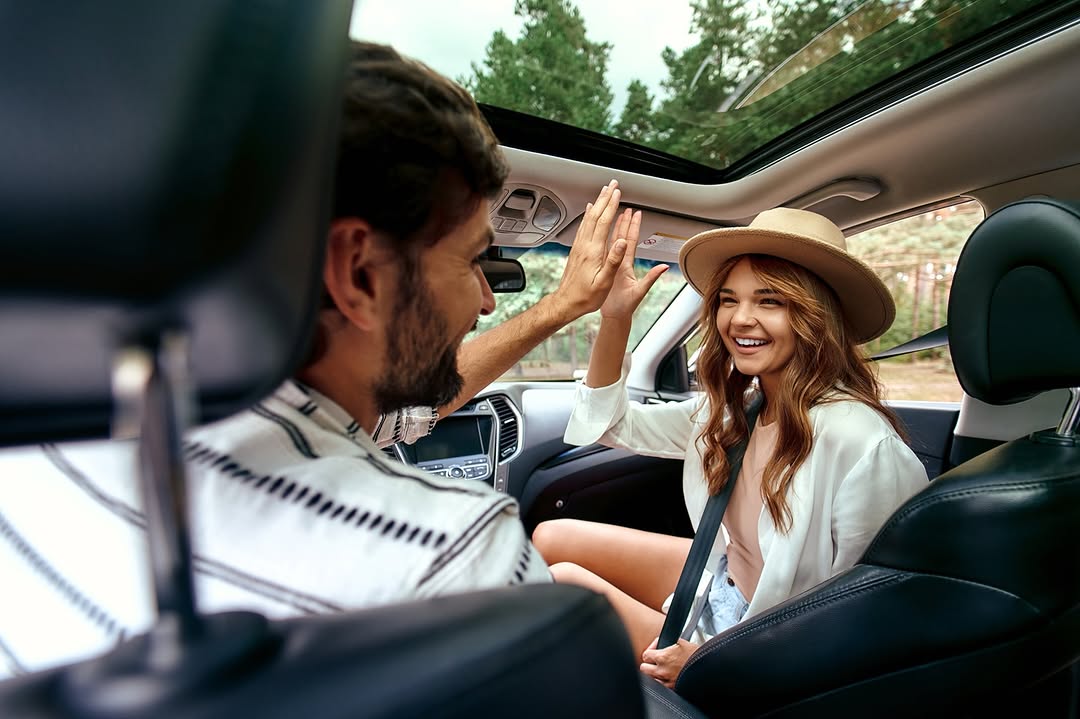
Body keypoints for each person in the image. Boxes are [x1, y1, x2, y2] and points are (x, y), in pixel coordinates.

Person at [0, 41, 633, 678]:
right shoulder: (462, 561)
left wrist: (559, 309)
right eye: (472, 260)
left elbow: (407, 413)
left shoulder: (38, 452)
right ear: (356, 271)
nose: (487, 297)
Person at [531, 207, 929, 688]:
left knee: (562, 582)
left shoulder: (863, 444)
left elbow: (864, 615)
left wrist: (711, 666)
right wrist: (615, 317)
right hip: (722, 580)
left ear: (817, 316)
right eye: (727, 299)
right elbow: (611, 425)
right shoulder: (736, 410)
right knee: (551, 537)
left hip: (767, 644)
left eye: (770, 301)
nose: (740, 319)